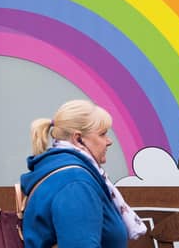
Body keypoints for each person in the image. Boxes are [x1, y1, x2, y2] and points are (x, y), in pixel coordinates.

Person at [20, 99, 147, 247]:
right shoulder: (75, 184)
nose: (109, 141)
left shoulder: (61, 172)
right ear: (78, 139)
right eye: (102, 134)